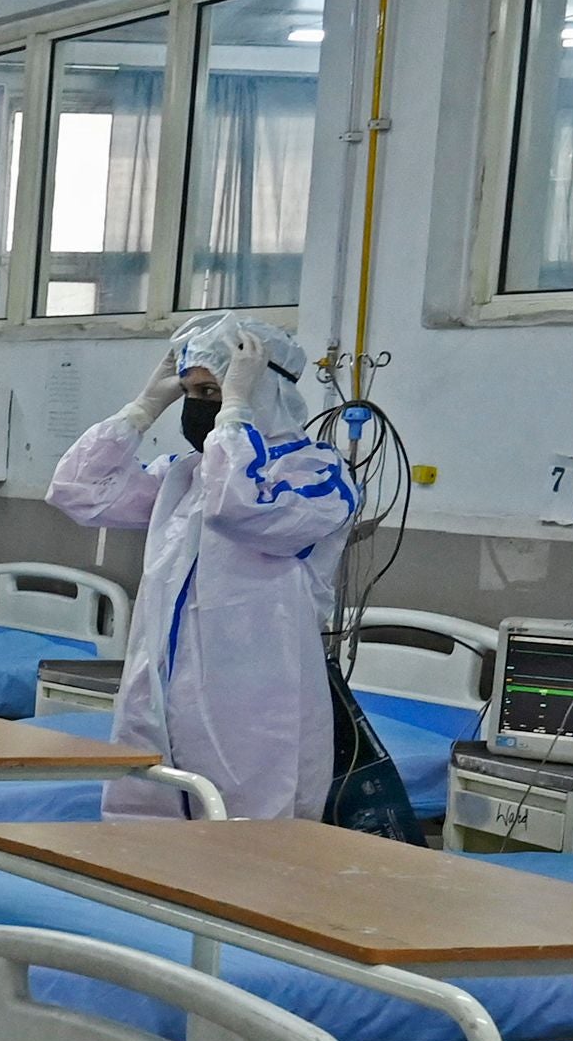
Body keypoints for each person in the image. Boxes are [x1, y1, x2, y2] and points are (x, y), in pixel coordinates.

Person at [46, 315, 356, 823]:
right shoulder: (184, 475)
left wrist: (235, 414)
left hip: (255, 707)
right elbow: (77, 491)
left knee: (245, 846)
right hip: (160, 692)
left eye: (213, 390)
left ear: (266, 389)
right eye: (193, 392)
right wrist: (143, 407)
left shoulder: (317, 474)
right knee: (142, 836)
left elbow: (240, 509)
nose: (200, 407)